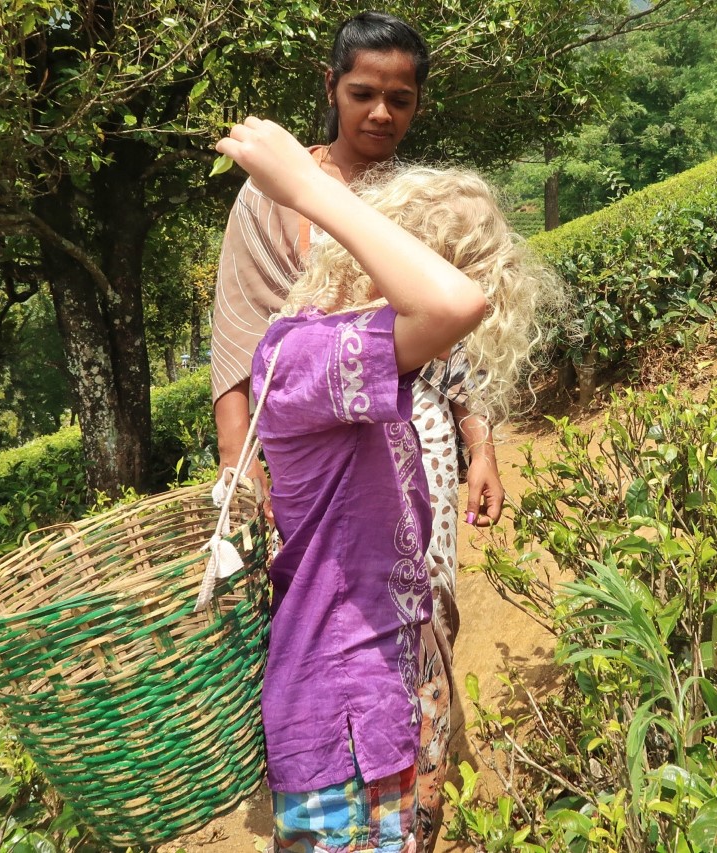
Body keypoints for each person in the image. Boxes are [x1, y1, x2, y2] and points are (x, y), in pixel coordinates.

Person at [214, 116, 562, 853]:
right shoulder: (307, 356)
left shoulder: (364, 365)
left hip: (378, 699)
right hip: (334, 711)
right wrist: (309, 188)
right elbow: (452, 304)